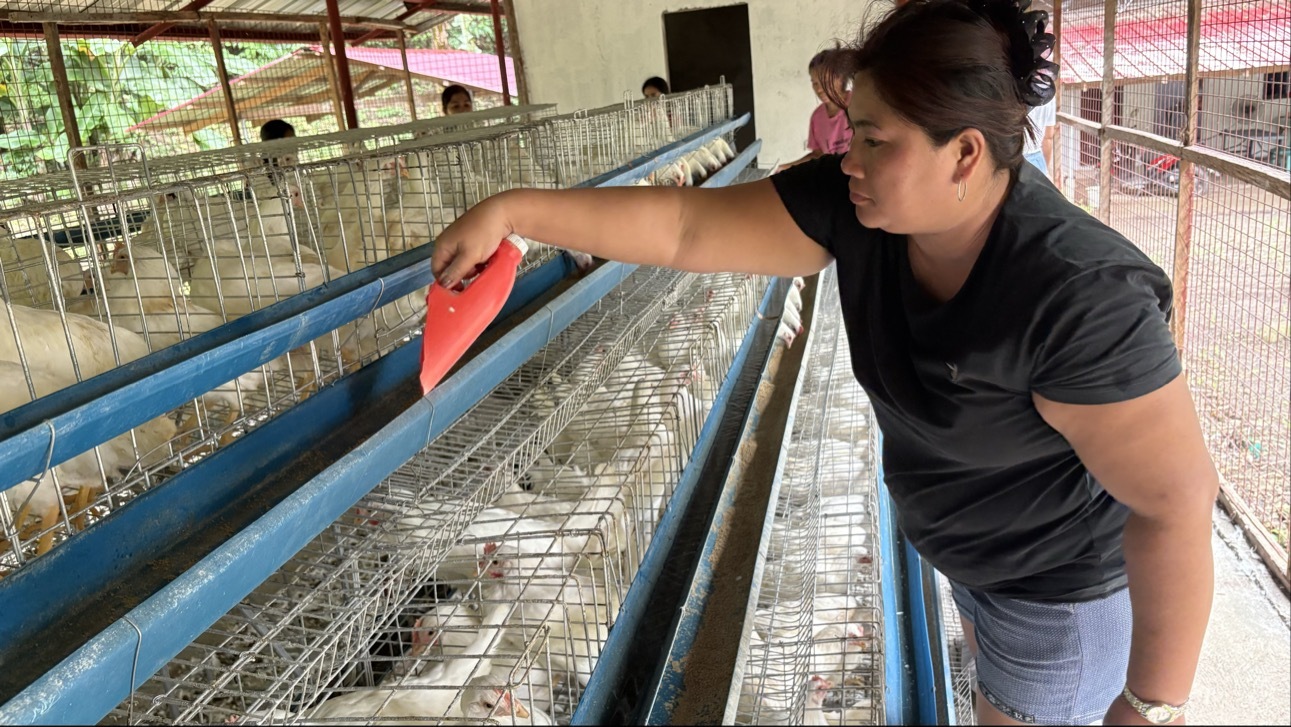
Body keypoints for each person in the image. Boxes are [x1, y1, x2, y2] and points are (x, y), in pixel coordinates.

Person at [433, 1, 1218, 725]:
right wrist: (516, 211)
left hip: (1054, 599)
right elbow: (683, 227)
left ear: (965, 155)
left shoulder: (1078, 297)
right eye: (852, 130)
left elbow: (1176, 503)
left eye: (875, 139)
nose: (848, 155)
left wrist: (1152, 706)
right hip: (975, 568)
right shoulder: (862, 210)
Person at [776, 49, 853, 173]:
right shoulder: (817, 117)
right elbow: (818, 155)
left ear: (841, 78)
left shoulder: (857, 104)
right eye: (815, 83)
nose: (819, 89)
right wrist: (786, 167)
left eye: (825, 82)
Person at [1025, 97, 1057, 177]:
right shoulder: (1049, 95)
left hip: (1010, 158)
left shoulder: (1011, 89)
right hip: (1036, 160)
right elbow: (1048, 138)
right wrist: (1045, 169)